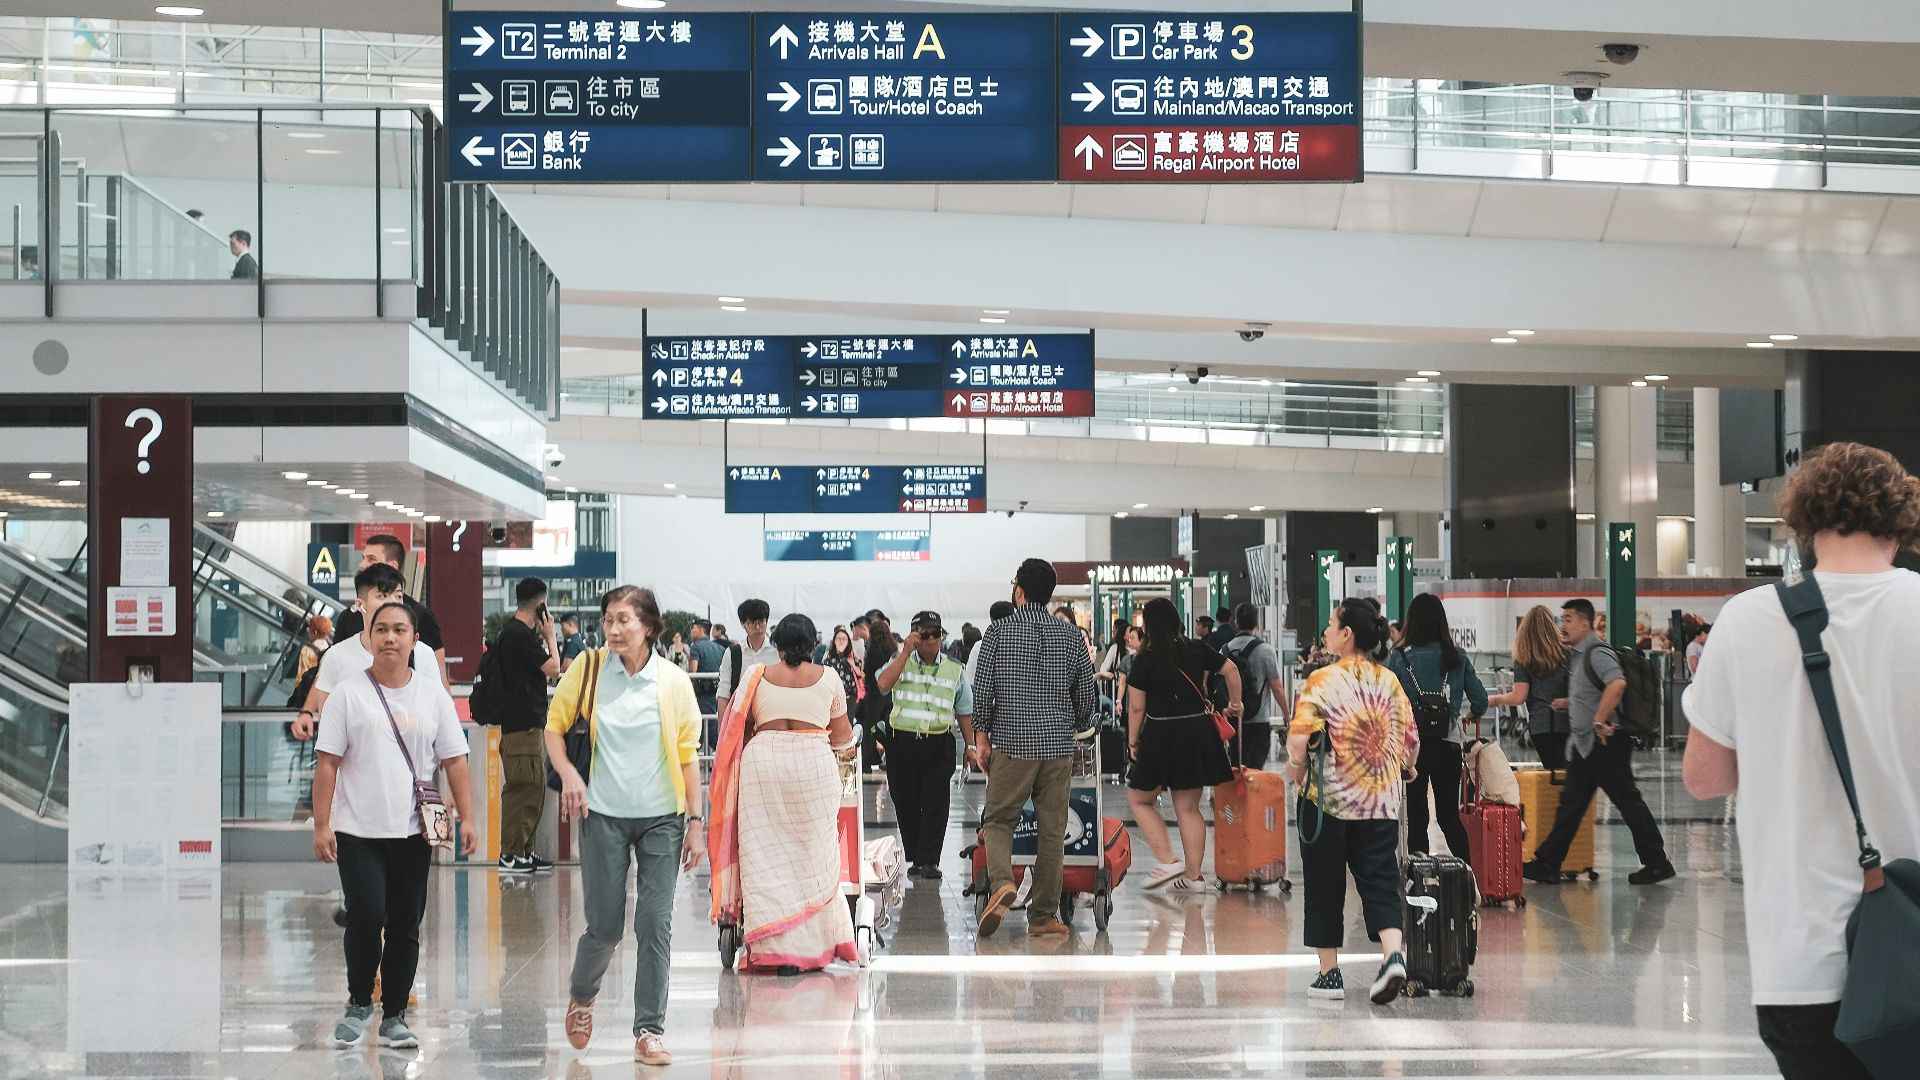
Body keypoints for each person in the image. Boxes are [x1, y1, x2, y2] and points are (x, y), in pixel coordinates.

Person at [1682, 441, 1920, 1080]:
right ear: (1902, 520)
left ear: (1804, 522)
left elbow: (1704, 780)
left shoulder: (1749, 619)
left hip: (1802, 957)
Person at [550, 586, 704, 1068]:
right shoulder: (589, 668)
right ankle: (582, 994)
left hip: (662, 817)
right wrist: (571, 774)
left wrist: (695, 822)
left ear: (649, 627)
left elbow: (688, 757)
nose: (613, 630)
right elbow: (553, 728)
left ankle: (649, 1030)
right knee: (605, 926)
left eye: (623, 620)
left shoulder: (673, 682)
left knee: (655, 922)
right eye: (608, 621)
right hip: (603, 816)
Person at [311, 601, 476, 1047]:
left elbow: (455, 760)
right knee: (366, 913)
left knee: (405, 922)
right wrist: (322, 825)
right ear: (370, 637)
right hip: (358, 830)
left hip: (412, 831)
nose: (389, 638)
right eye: (380, 629)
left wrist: (469, 818)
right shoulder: (348, 693)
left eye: (399, 630)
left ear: (414, 640)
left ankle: (395, 1013)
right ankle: (360, 1000)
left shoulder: (432, 694)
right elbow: (327, 764)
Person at [1286, 597, 1418, 1005]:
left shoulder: (1322, 680)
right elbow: (1411, 742)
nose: (1325, 631)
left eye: (1330, 624)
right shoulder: (1390, 681)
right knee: (1380, 879)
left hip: (1328, 804)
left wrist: (1299, 773)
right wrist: (1405, 770)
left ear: (1346, 634)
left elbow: (1297, 744)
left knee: (1325, 886)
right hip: (1380, 801)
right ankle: (1392, 954)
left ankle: (1329, 976)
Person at [971, 559, 1098, 940]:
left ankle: (1002, 884)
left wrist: (981, 738)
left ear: (1018, 591)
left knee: (998, 819)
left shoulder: (997, 633)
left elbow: (984, 690)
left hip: (1012, 742)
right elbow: (1086, 698)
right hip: (1058, 747)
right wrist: (1072, 722)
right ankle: (1043, 916)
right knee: (1053, 829)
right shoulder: (1071, 636)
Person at [732, 613, 860, 970]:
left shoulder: (756, 677)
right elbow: (841, 737)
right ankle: (810, 946)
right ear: (812, 643)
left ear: (777, 642)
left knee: (765, 856)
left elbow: (740, 730)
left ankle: (772, 945)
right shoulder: (830, 678)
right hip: (812, 767)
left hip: (764, 768)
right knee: (813, 852)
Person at [1522, 598, 1675, 887]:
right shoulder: (1578, 656)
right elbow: (1595, 691)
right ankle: (1548, 864)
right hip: (1584, 746)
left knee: (1628, 802)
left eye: (1568, 619)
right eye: (1561, 619)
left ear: (1585, 623)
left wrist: (1598, 720)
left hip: (1605, 744)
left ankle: (1657, 863)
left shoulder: (1597, 652)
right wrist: (1570, 703)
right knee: (1571, 805)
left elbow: (1617, 684)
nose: (1562, 625)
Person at [1124, 597, 1239, 891]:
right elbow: (1231, 670)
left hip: (1160, 735)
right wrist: (1235, 704)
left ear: (1148, 625)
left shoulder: (1144, 658)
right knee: (1188, 808)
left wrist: (1132, 741)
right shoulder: (1195, 647)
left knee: (1140, 799)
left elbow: (1136, 708)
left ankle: (1167, 859)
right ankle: (1194, 876)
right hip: (1196, 732)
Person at [1386, 593, 1486, 858]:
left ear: (1412, 621)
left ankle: (1420, 887)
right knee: (1448, 817)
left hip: (1411, 751)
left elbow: (1388, 702)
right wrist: (1473, 713)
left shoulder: (1399, 658)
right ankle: (1469, 879)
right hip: (1448, 745)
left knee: (1417, 818)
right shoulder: (1457, 657)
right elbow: (1481, 699)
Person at [876, 611, 974, 879]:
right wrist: (905, 652)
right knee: (905, 800)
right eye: (924, 634)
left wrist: (971, 746)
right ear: (914, 636)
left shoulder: (955, 668)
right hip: (902, 742)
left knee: (936, 801)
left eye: (936, 634)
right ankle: (915, 855)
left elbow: (964, 710)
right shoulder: (899, 661)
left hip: (938, 742)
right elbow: (883, 685)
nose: (931, 640)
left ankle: (928, 860)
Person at [292, 563, 436, 740]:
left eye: (398, 596)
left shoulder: (423, 654)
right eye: (383, 596)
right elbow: (329, 734)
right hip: (354, 766)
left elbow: (435, 717)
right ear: (360, 604)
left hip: (410, 764)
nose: (393, 603)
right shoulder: (337, 657)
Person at [493, 578, 561, 874]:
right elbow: (554, 669)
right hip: (521, 729)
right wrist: (551, 635)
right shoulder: (519, 635)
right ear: (541, 604)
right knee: (522, 790)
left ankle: (523, 850)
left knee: (533, 789)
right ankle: (510, 854)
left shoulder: (515, 634)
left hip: (527, 726)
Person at [330, 533, 449, 690]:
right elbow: (328, 680)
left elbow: (439, 678)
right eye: (363, 558)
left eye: (371, 559)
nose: (362, 564)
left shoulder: (421, 617)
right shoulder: (349, 618)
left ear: (392, 565)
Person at [1486, 606, 1573, 771]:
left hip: (1541, 726)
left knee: (1553, 774)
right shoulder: (1566, 654)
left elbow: (1519, 696)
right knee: (1568, 775)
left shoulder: (1524, 657)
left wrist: (1495, 699)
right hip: (1568, 723)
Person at [1223, 602, 1287, 771]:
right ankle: (1252, 798)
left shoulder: (1225, 650)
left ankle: (1237, 798)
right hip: (1259, 719)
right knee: (1254, 770)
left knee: (1236, 769)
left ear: (1236, 622)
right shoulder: (1266, 650)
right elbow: (1277, 687)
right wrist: (1287, 715)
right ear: (1257, 623)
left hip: (1234, 718)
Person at [715, 599, 778, 717]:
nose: (758, 627)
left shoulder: (777, 652)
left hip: (771, 716)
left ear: (767, 621)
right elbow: (723, 693)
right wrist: (723, 731)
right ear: (743, 624)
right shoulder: (733, 653)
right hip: (741, 718)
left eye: (761, 622)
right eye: (752, 623)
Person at [823, 626, 861, 705]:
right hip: (833, 697)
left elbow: (860, 675)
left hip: (850, 696)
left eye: (844, 639)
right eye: (838, 638)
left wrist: (853, 665)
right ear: (834, 641)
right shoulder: (828, 658)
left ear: (848, 642)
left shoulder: (853, 657)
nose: (841, 641)